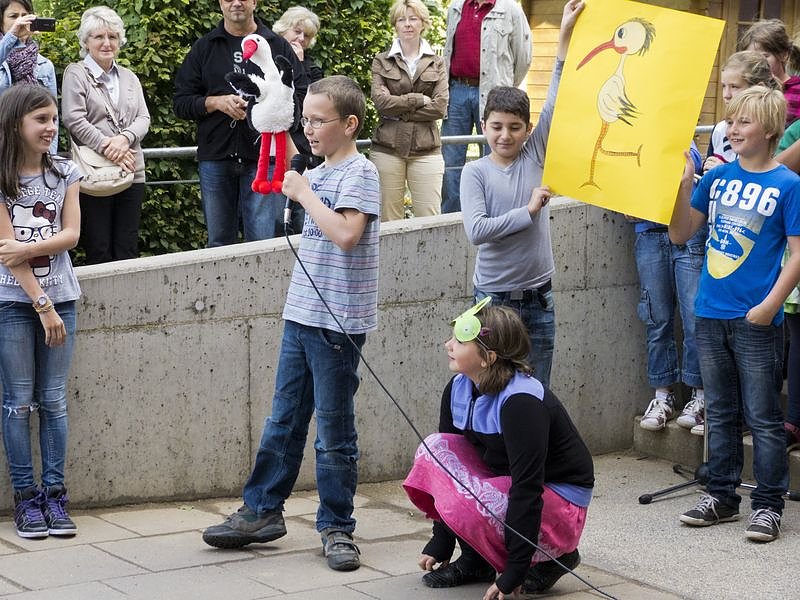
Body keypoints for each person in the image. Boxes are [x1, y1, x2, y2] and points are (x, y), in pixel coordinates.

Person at [202, 75, 381, 572]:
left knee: (334, 429)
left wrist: (303, 195)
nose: (309, 129)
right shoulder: (317, 172)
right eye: (304, 120)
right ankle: (261, 510)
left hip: (337, 323)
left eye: (319, 121)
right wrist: (305, 189)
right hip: (301, 313)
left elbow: (346, 233)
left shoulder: (358, 174)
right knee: (283, 419)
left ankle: (337, 527)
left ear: (349, 124)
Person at [670, 85, 800, 543]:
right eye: (731, 120)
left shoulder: (788, 185)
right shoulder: (717, 178)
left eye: (743, 121)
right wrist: (685, 187)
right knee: (721, 411)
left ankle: (768, 505)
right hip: (709, 312)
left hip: (757, 320)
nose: (731, 128)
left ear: (768, 129)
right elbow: (682, 233)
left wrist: (770, 305)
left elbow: (799, 252)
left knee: (763, 416)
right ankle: (721, 496)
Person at [403, 299, 594, 598]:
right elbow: (446, 475)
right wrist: (442, 539)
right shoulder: (457, 388)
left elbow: (527, 488)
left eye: (460, 341)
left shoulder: (521, 402)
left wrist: (514, 572)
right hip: (507, 482)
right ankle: (476, 559)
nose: (447, 344)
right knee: (435, 451)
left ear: (488, 357)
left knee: (475, 501)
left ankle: (553, 556)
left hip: (557, 497)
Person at [460, 0, 583, 388]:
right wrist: (528, 210)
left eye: (514, 127)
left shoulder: (534, 153)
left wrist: (564, 34)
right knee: (491, 387)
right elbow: (477, 231)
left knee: (535, 392)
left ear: (527, 130)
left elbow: (557, 94)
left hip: (538, 297)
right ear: (484, 125)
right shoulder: (474, 171)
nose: (504, 135)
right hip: (493, 299)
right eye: (496, 126)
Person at [0, 85, 82, 539]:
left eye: (53, 119)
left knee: (53, 400)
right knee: (17, 404)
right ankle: (26, 499)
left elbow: (71, 236)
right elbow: (5, 255)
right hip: (13, 303)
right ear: (16, 125)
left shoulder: (66, 172)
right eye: (41, 120)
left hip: (63, 296)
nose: (51, 127)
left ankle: (55, 495)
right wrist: (43, 305)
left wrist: (28, 247)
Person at [173, 0, 307, 247]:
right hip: (216, 157)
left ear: (254, 2)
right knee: (219, 244)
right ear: (220, 4)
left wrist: (264, 109)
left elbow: (299, 95)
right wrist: (215, 102)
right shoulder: (204, 47)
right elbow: (180, 102)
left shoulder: (278, 46)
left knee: (263, 243)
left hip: (264, 159)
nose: (236, 2)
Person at [61, 6, 150, 265]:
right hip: (94, 173)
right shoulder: (75, 74)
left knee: (128, 248)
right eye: (98, 37)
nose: (106, 43)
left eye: (112, 36)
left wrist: (123, 140)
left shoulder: (129, 77)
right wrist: (108, 147)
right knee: (98, 248)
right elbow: (73, 118)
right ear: (86, 41)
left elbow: (144, 118)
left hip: (132, 170)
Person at [634, 142, 706, 433]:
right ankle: (663, 396)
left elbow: (694, 161)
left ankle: (700, 396)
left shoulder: (680, 127)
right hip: (647, 230)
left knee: (694, 317)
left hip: (688, 228)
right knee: (656, 317)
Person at [440, 0, 532, 214]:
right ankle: (452, 218)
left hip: (494, 96)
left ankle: (495, 216)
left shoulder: (510, 9)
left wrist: (504, 89)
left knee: (498, 156)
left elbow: (523, 58)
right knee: (451, 162)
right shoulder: (456, 6)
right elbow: (448, 50)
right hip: (457, 91)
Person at [370, 0, 447, 221]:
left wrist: (398, 107)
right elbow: (380, 103)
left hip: (426, 150)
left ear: (423, 23)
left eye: (413, 18)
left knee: (430, 219)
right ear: (395, 25)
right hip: (387, 149)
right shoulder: (381, 60)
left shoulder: (437, 62)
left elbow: (439, 107)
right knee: (387, 220)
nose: (408, 24)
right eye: (402, 19)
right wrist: (419, 99)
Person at [273, 5, 323, 233]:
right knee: (276, 221)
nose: (301, 39)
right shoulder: (268, 62)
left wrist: (300, 66)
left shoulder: (312, 68)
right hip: (274, 152)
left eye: (307, 35)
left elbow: (306, 106)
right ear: (283, 30)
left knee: (304, 218)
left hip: (304, 152)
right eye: (297, 31)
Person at [704, 51, 779, 174]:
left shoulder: (771, 130)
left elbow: (767, 177)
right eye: (724, 86)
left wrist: (725, 172)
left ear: (759, 87)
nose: (726, 95)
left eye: (734, 87)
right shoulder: (720, 129)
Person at [0, 0, 57, 154]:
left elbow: (52, 116)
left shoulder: (45, 65)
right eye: (13, 16)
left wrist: (50, 157)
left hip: (33, 150)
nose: (20, 21)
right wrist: (11, 37)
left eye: (25, 15)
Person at [738, 18, 800, 125]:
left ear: (783, 55)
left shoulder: (797, 90)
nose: (757, 63)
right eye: (751, 57)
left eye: (764, 56)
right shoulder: (746, 90)